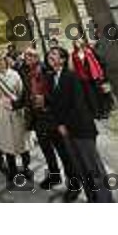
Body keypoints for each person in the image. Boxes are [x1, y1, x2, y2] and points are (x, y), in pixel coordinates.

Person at [46, 48, 113, 203]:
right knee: (81, 168)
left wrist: (64, 124)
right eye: (49, 55)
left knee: (94, 168)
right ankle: (92, 199)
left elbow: (78, 105)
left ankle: (105, 200)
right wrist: (59, 124)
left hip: (81, 129)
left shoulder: (72, 76)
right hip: (66, 132)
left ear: (63, 59)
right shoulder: (50, 79)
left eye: (54, 54)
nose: (50, 56)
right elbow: (54, 106)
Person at [17, 47, 78, 196]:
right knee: (47, 152)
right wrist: (14, 105)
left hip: (53, 118)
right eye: (26, 56)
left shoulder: (48, 70)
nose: (28, 58)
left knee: (65, 154)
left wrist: (46, 100)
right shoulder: (25, 73)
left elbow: (59, 95)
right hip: (38, 119)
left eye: (31, 55)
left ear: (38, 57)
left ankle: (74, 185)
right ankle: (54, 176)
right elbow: (26, 95)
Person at [0, 54, 30, 183]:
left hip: (16, 113)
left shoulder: (15, 75)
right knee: (7, 143)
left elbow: (21, 92)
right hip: (2, 114)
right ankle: (12, 170)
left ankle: (26, 167)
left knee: (22, 141)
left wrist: (18, 106)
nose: (0, 64)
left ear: (6, 62)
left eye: (2, 61)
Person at [71, 39, 109, 119]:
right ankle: (97, 113)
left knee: (100, 94)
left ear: (81, 43)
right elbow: (75, 68)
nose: (77, 44)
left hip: (94, 75)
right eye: (75, 42)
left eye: (78, 42)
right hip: (84, 78)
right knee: (91, 96)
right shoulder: (74, 54)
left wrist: (100, 74)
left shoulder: (88, 51)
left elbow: (95, 63)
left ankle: (104, 111)